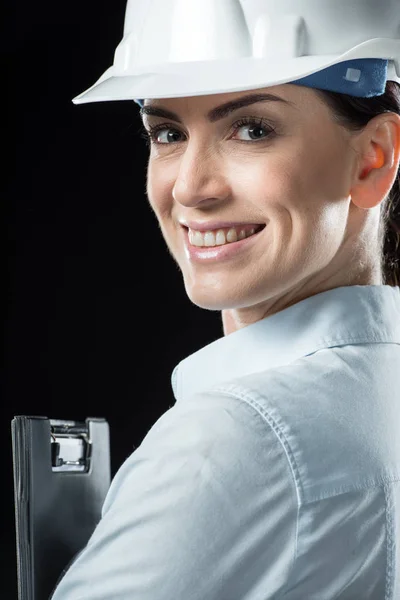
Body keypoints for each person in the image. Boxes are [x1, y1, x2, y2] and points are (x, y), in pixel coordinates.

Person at [51, 0, 400, 598]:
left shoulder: (233, 437)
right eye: (167, 133)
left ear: (372, 159)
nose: (188, 187)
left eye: (251, 129)